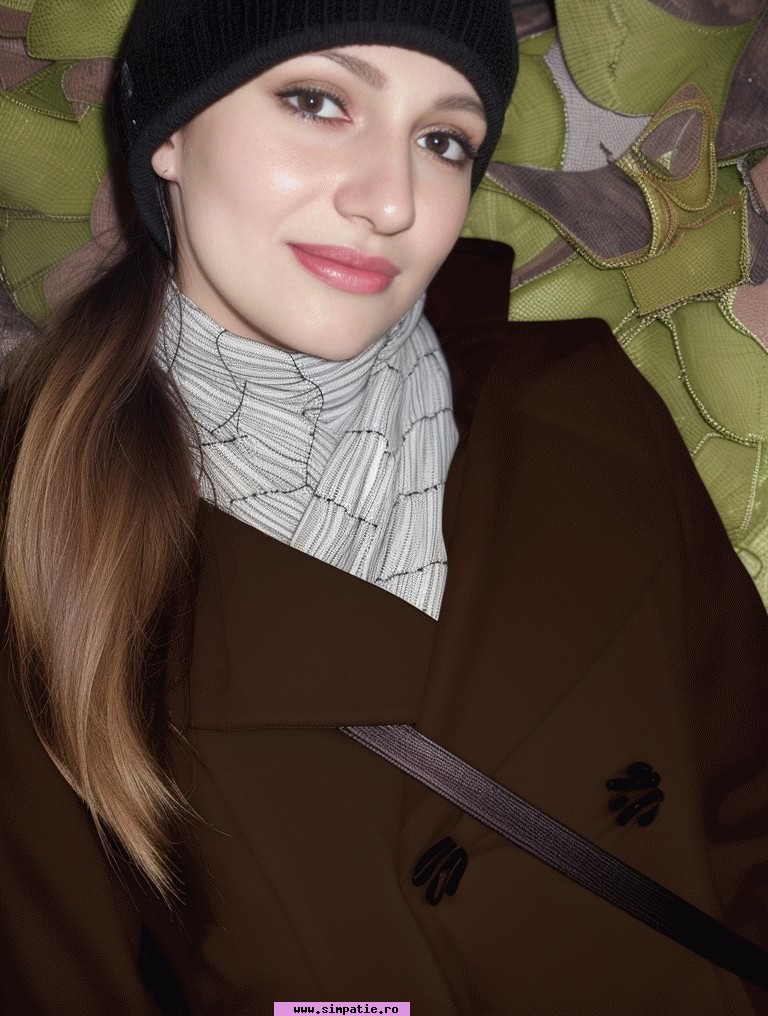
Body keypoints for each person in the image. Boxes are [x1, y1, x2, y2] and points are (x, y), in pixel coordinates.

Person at [0, 2, 766, 1014]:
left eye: (442, 140)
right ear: (170, 133)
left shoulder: (584, 403)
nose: (392, 199)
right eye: (317, 102)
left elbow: (749, 794)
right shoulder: (48, 526)